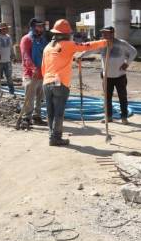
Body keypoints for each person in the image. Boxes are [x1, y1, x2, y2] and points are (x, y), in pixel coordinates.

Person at [41, 19, 109, 147]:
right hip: (60, 83)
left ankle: (51, 136)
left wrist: (71, 59)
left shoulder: (47, 47)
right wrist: (104, 42)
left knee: (50, 111)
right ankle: (56, 138)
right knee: (59, 112)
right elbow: (86, 46)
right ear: (66, 34)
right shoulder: (68, 44)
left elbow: (44, 67)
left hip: (46, 82)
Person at [98, 26, 137, 125]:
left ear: (112, 33)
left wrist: (127, 63)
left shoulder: (121, 43)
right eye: (103, 33)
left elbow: (133, 52)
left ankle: (124, 117)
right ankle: (108, 116)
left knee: (122, 97)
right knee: (107, 97)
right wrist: (80, 56)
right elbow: (90, 50)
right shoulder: (101, 44)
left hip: (120, 76)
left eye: (106, 33)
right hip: (106, 76)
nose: (104, 35)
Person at [18, 18, 47, 129]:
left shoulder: (43, 40)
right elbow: (26, 56)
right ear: (33, 27)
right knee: (30, 97)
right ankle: (27, 118)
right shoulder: (26, 39)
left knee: (40, 97)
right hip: (30, 74)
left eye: (42, 26)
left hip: (42, 73)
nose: (41, 28)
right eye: (39, 26)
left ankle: (37, 116)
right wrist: (34, 68)